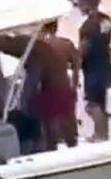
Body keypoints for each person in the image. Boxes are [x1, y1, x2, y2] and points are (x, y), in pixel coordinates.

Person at [29, 22, 80, 150]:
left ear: (42, 28)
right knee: (69, 121)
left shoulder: (39, 46)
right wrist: (74, 84)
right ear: (56, 27)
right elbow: (77, 64)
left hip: (48, 88)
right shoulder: (66, 44)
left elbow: (34, 70)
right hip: (64, 86)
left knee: (50, 126)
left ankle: (53, 150)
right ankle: (73, 148)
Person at [74, 0, 111, 140]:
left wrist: (75, 65)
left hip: (92, 69)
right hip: (105, 64)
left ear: (86, 3)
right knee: (101, 102)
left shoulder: (88, 26)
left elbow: (83, 50)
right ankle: (102, 133)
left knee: (92, 105)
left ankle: (101, 135)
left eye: (79, 3)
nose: (78, 6)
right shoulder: (106, 20)